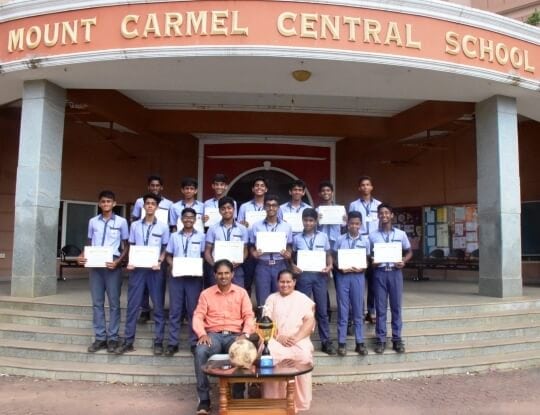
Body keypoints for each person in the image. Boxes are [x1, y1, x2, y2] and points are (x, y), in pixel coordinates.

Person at [192, 259, 256, 415]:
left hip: (235, 336)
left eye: (226, 273)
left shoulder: (241, 293)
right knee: (200, 351)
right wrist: (202, 334)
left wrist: (245, 334)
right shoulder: (206, 294)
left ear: (232, 274)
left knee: (241, 353)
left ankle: (238, 396)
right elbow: (198, 316)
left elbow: (249, 316)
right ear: (215, 275)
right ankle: (204, 400)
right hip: (213, 336)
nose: (223, 276)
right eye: (220, 273)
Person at [115, 193, 170, 355]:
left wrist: (160, 261)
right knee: (133, 306)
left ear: (157, 207)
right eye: (148, 203)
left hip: (155, 270)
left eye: (153, 203)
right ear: (143, 206)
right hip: (138, 270)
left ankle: (159, 341)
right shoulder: (135, 226)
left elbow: (166, 248)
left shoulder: (163, 227)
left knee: (158, 307)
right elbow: (131, 245)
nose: (150, 206)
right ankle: (128, 340)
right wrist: (130, 261)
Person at [78, 190, 129, 353]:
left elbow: (127, 245)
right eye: (103, 202)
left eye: (109, 201)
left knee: (114, 303)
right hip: (95, 265)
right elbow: (89, 241)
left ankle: (113, 338)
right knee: (97, 303)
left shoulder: (121, 222)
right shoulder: (93, 221)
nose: (106, 204)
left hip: (111, 264)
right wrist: (82, 255)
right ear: (99, 204)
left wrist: (118, 262)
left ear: (114, 204)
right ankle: (100, 338)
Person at [263, 269, 315, 412]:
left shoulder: (302, 298)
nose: (285, 285)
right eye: (282, 282)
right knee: (268, 353)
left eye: (288, 282)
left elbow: (309, 321)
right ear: (277, 282)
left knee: (304, 355)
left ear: (294, 282)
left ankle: (297, 403)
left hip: (298, 338)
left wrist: (296, 338)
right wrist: (278, 336)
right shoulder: (271, 299)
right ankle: (274, 401)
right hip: (275, 338)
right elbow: (265, 322)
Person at [291, 208, 336, 355]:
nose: (308, 223)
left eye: (311, 220)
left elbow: (328, 254)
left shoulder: (323, 237)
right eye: (306, 220)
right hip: (303, 276)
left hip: (319, 277)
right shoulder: (297, 238)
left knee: (322, 310)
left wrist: (329, 265)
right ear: (302, 220)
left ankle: (325, 341)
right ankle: (300, 341)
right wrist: (293, 266)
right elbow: (291, 257)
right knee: (302, 310)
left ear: (316, 222)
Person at [368, 203, 412, 354]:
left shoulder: (400, 234)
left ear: (391, 215)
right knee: (380, 308)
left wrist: (404, 261)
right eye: (381, 213)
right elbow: (368, 255)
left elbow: (409, 251)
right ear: (378, 216)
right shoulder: (372, 236)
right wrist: (372, 261)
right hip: (379, 273)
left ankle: (397, 339)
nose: (384, 216)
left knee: (396, 307)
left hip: (395, 272)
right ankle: (380, 340)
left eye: (387, 213)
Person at [131, 175, 173, 324]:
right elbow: (134, 219)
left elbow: (171, 224)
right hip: (141, 249)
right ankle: (144, 310)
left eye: (157, 185)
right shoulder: (139, 201)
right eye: (152, 185)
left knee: (158, 284)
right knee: (142, 287)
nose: (155, 188)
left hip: (158, 249)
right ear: (148, 187)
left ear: (161, 187)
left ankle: (158, 310)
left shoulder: (169, 204)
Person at [164, 207, 205, 356]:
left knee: (193, 311)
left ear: (195, 220)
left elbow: (204, 255)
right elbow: (168, 255)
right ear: (181, 220)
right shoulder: (174, 236)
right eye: (185, 217)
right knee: (175, 310)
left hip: (194, 279)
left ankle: (194, 342)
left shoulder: (201, 236)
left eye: (191, 218)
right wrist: (171, 263)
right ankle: (172, 343)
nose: (188, 220)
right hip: (177, 277)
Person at [333, 211, 370, 356]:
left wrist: (363, 266)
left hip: (358, 276)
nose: (354, 226)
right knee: (343, 310)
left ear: (360, 225)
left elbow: (367, 259)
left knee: (358, 310)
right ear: (347, 224)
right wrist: (339, 267)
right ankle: (341, 343)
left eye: (357, 224)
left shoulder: (365, 241)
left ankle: (359, 343)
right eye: (351, 223)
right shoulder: (340, 239)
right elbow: (334, 258)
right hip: (343, 276)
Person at [349, 175, 382, 324]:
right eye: (362, 185)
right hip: (360, 244)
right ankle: (359, 310)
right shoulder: (354, 205)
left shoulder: (379, 205)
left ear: (372, 187)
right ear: (359, 188)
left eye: (368, 184)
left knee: (373, 279)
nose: (365, 187)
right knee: (359, 277)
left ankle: (371, 310)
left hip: (375, 243)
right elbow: (351, 224)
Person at [249, 194, 293, 306]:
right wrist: (253, 253)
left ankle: (280, 324)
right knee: (263, 300)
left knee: (281, 298)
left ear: (278, 208)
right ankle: (263, 323)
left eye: (274, 205)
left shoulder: (286, 226)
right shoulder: (256, 226)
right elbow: (251, 245)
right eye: (268, 205)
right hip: (263, 265)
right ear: (264, 207)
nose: (271, 208)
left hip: (280, 264)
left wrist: (288, 253)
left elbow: (289, 245)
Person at [204, 196, 248, 287]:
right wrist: (214, 265)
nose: (226, 211)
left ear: (234, 209)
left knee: (237, 297)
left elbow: (245, 250)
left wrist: (240, 261)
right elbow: (207, 251)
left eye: (229, 208)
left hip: (236, 269)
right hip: (218, 270)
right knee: (217, 297)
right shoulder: (212, 229)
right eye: (223, 209)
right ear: (219, 211)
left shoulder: (242, 229)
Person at [238, 176, 268, 296]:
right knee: (247, 279)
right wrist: (243, 224)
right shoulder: (245, 207)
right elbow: (239, 226)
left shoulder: (271, 206)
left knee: (265, 280)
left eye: (262, 186)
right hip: (249, 245)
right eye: (257, 185)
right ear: (253, 189)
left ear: (266, 189)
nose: (259, 188)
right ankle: (247, 309)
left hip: (267, 247)